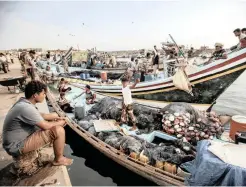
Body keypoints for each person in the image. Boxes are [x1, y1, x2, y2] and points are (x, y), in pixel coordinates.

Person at [2, 80, 73, 166]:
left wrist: (57, 117)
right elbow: (45, 126)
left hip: (15, 141)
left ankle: (56, 146)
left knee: (53, 121)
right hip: (15, 146)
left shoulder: (24, 103)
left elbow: (40, 115)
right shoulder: (26, 108)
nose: (45, 95)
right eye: (43, 93)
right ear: (35, 95)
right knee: (59, 130)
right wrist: (61, 122)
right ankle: (59, 159)